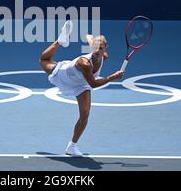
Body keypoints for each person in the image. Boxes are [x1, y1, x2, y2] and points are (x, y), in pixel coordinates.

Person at [39, 21, 124, 156]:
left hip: (82, 84)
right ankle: (60, 41)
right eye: (95, 47)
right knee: (43, 60)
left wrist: (89, 37)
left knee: (85, 114)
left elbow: (91, 40)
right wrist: (112, 77)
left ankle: (72, 146)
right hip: (65, 75)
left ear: (105, 48)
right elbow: (93, 84)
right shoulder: (84, 63)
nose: (97, 50)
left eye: (100, 48)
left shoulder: (103, 56)